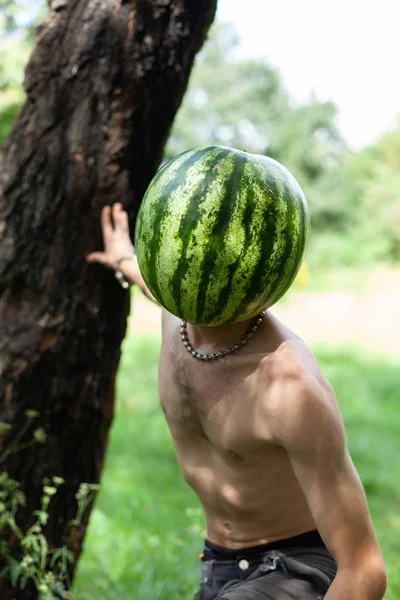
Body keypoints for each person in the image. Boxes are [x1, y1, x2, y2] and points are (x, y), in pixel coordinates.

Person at [87, 203, 387, 600]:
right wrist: (124, 257)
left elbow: (363, 570)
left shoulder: (289, 387)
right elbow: (153, 280)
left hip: (298, 565)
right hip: (217, 563)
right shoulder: (175, 313)